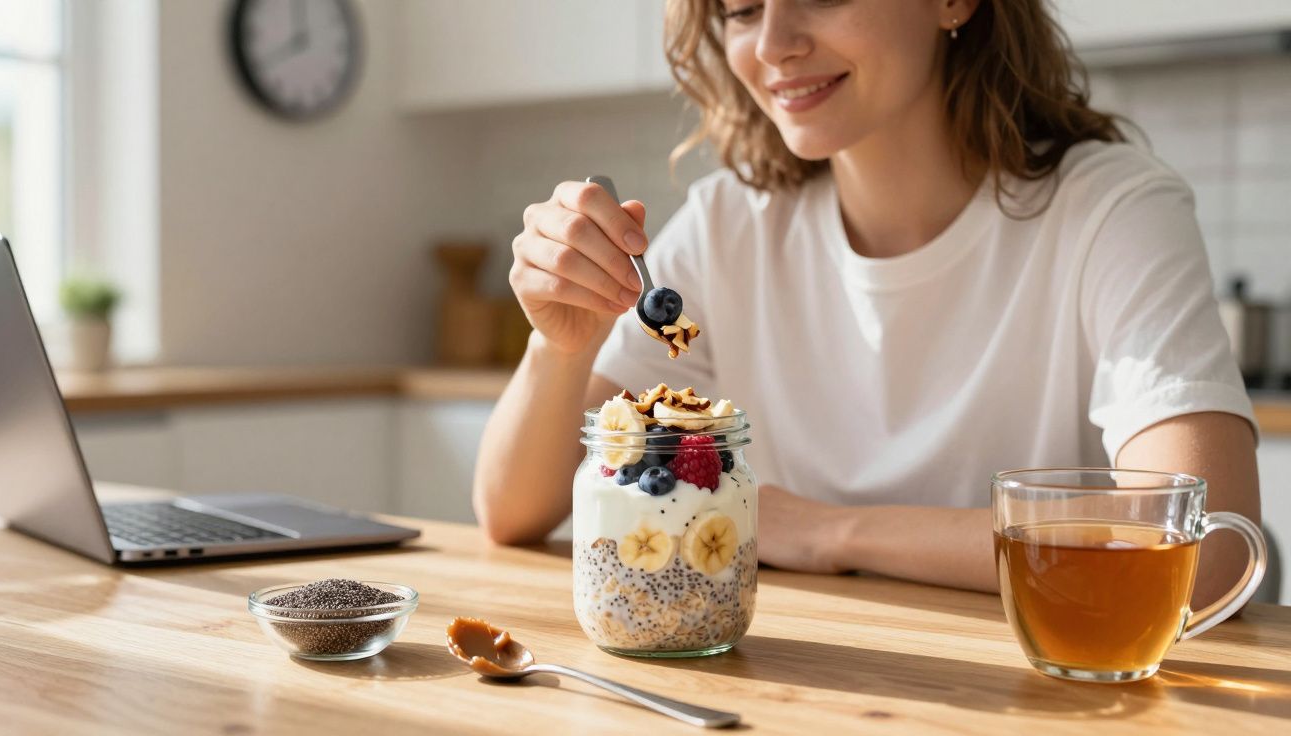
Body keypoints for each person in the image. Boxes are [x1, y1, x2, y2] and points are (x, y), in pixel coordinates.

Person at [473, 0, 1260, 609]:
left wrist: (823, 531)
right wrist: (561, 344)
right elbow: (513, 512)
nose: (774, 42)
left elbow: (1202, 550)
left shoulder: (1110, 210)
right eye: (742, 8)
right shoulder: (727, 225)